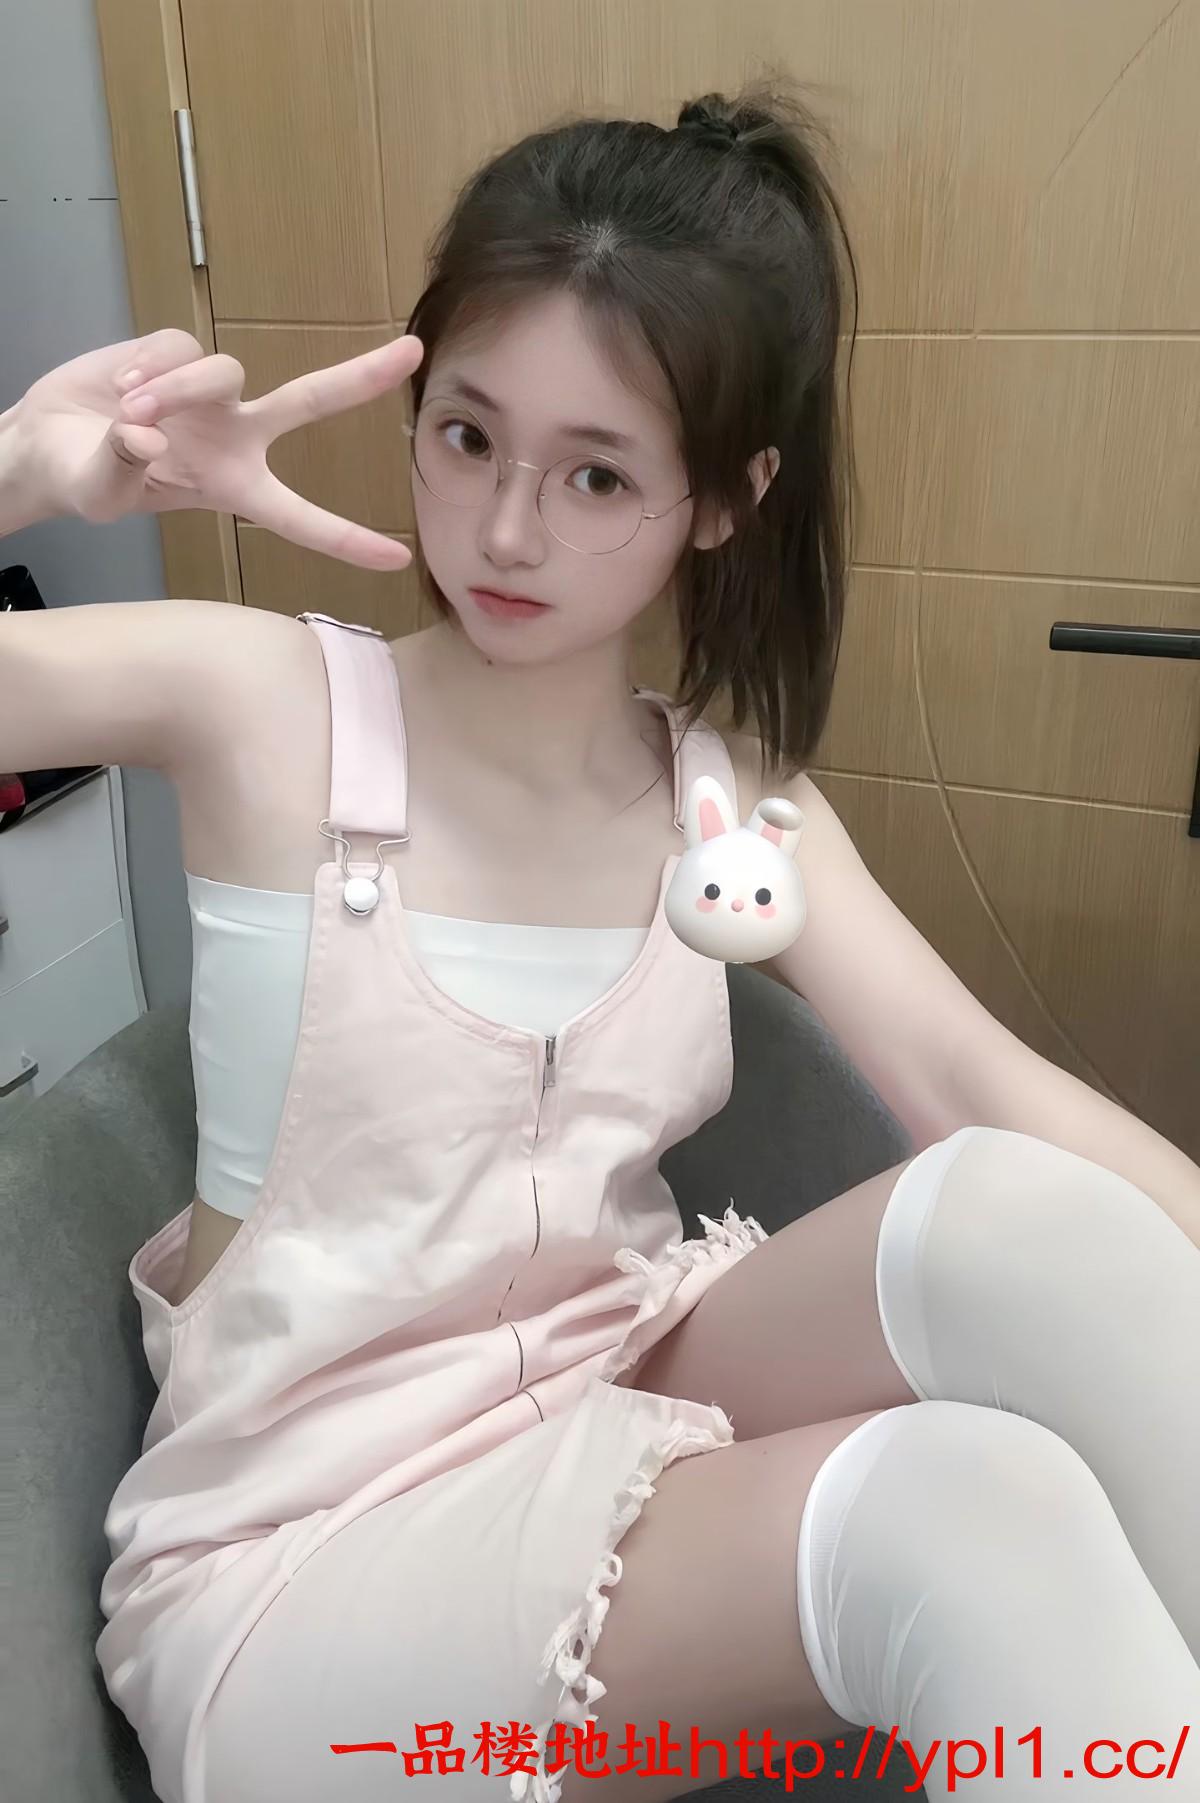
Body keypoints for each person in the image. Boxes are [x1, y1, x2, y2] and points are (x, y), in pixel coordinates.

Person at [2, 78, 1198, 1803]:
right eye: (467, 436)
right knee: (961, 1525)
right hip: (296, 1559)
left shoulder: (732, 808)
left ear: (726, 498)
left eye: (597, 474)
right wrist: (17, 475)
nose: (504, 530)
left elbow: (974, 1081)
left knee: (1023, 1218)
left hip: (601, 1391)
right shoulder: (260, 703)